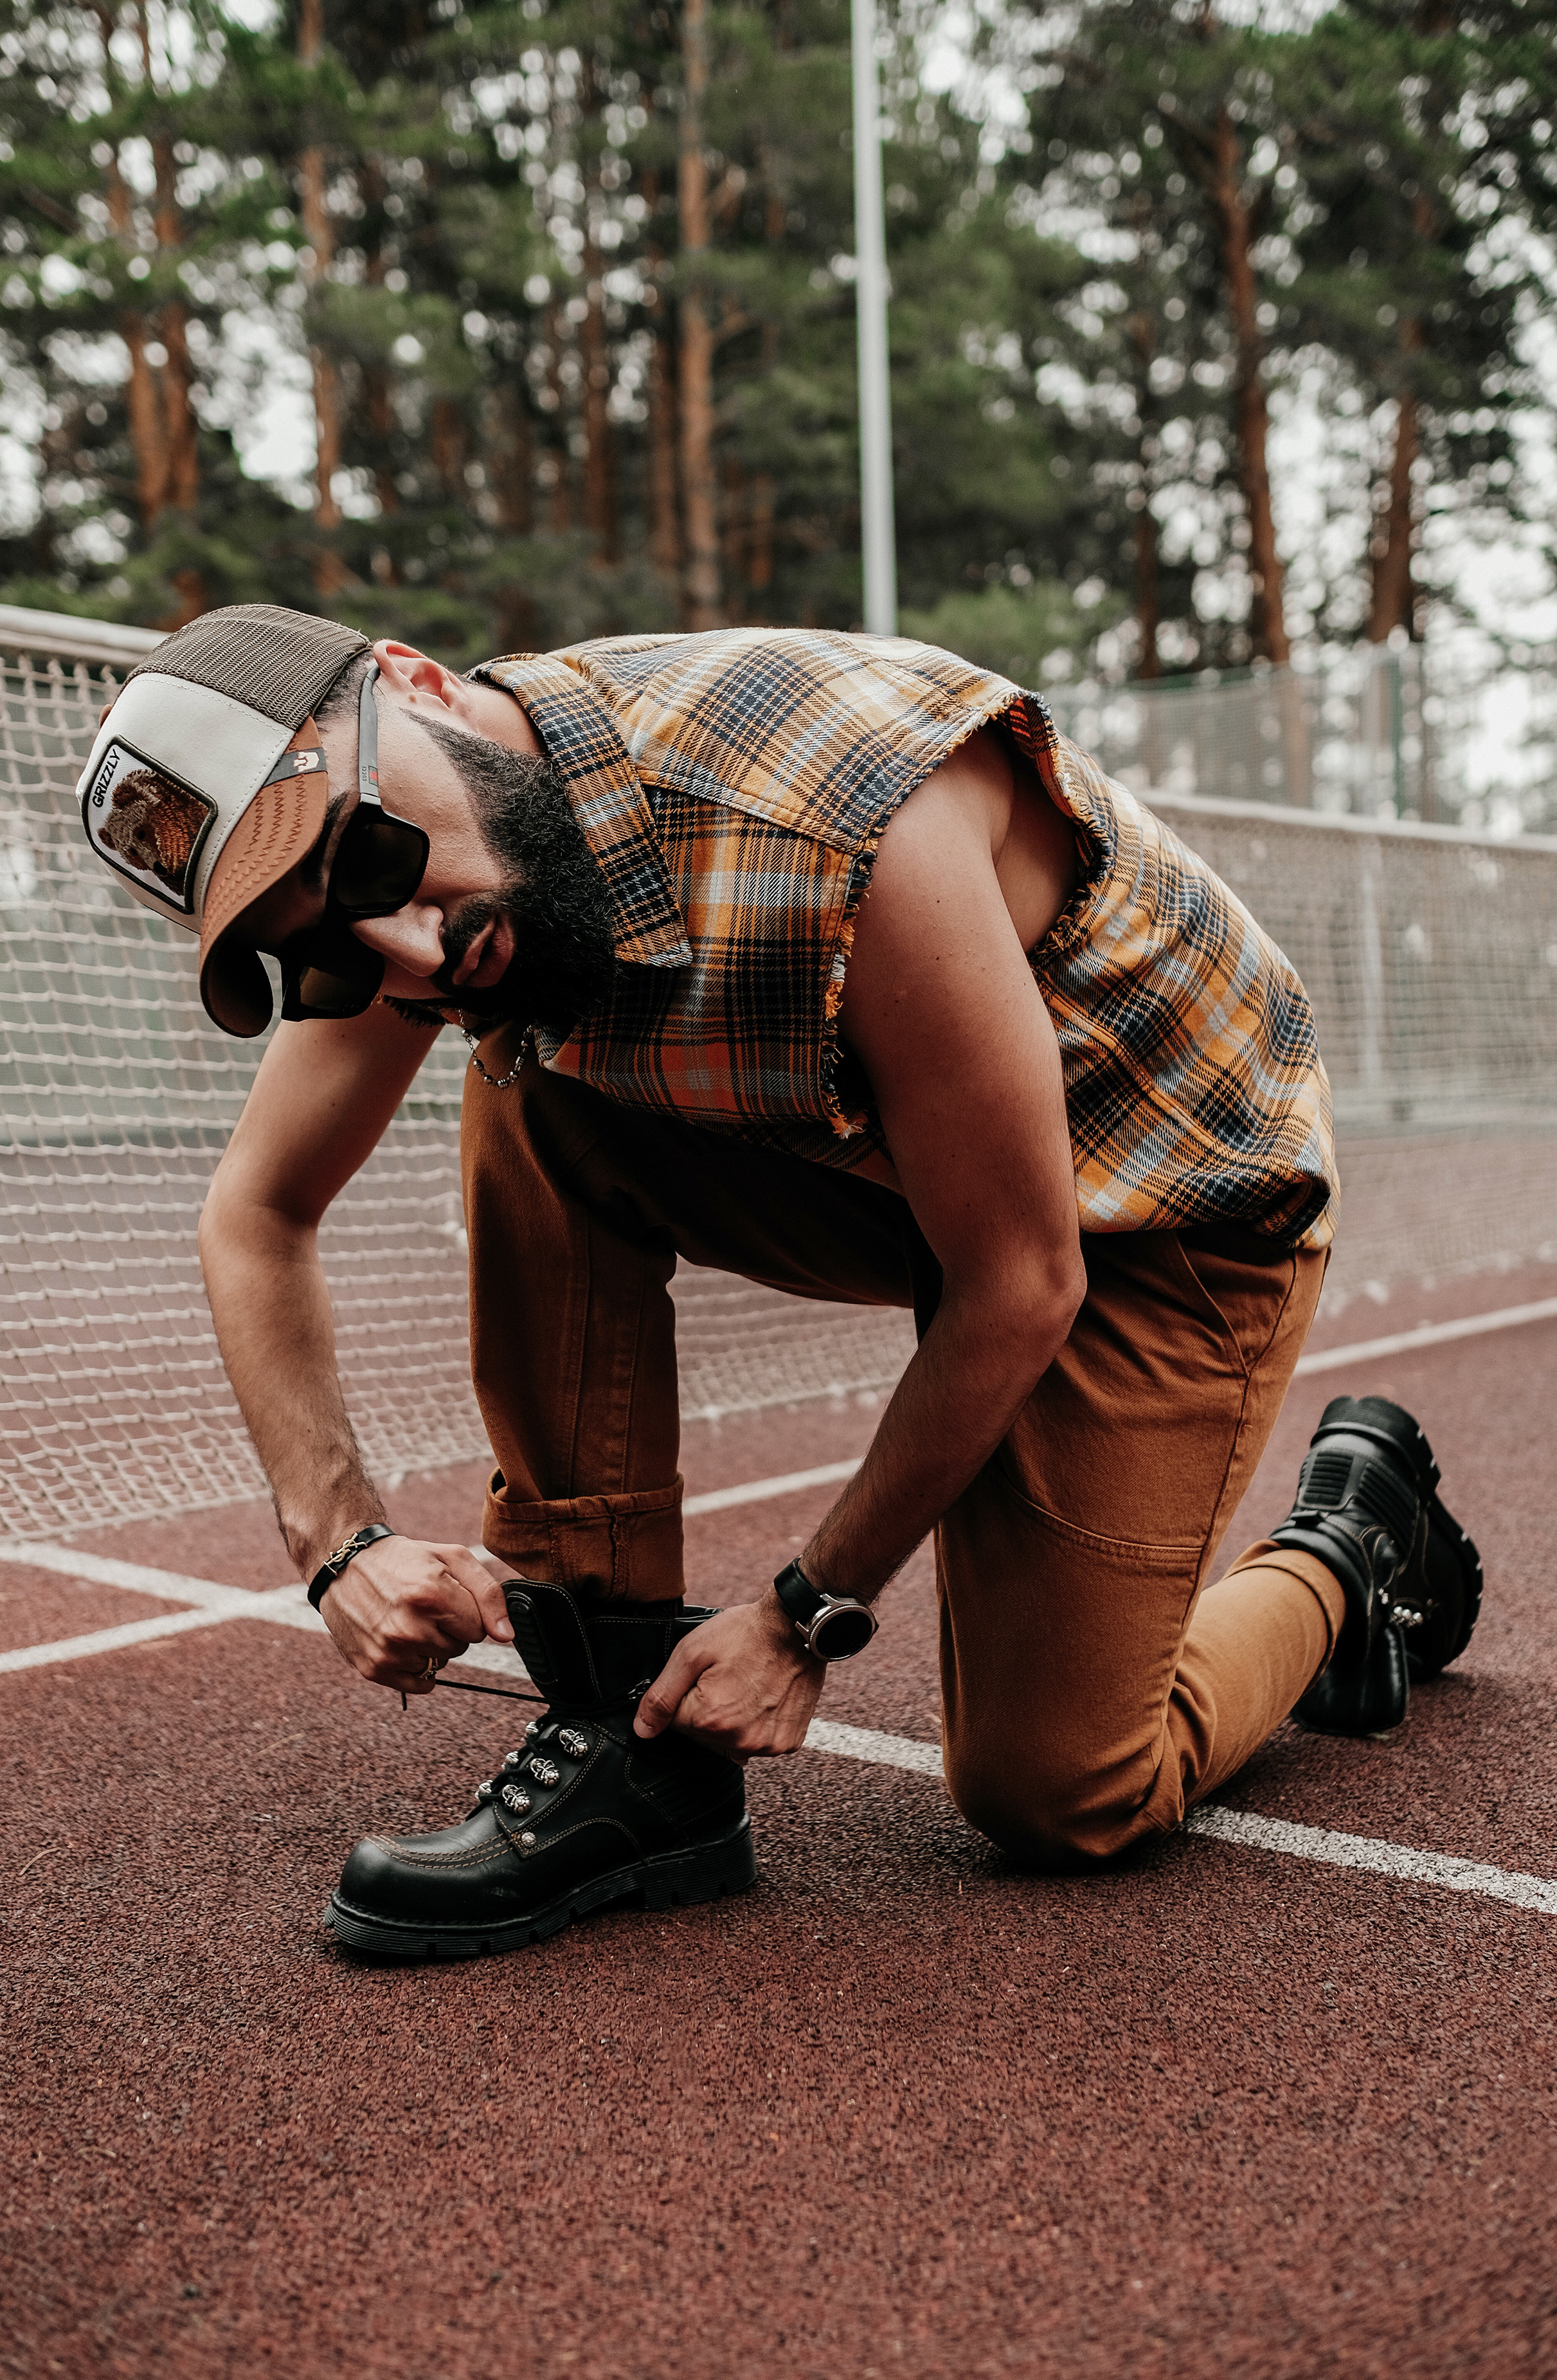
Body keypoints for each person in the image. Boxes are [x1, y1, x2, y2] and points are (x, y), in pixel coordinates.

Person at [76, 602, 1482, 1958]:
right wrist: (338, 1546)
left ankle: (1348, 1558)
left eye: (372, 862)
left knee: (1059, 1793)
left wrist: (799, 1618)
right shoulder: (431, 891)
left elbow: (1018, 1279)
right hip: (899, 1172)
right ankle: (628, 1729)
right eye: (318, 955)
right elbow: (256, 1213)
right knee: (527, 1084)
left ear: (419, 685)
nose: (404, 954)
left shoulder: (841, 822)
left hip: (1154, 1213)